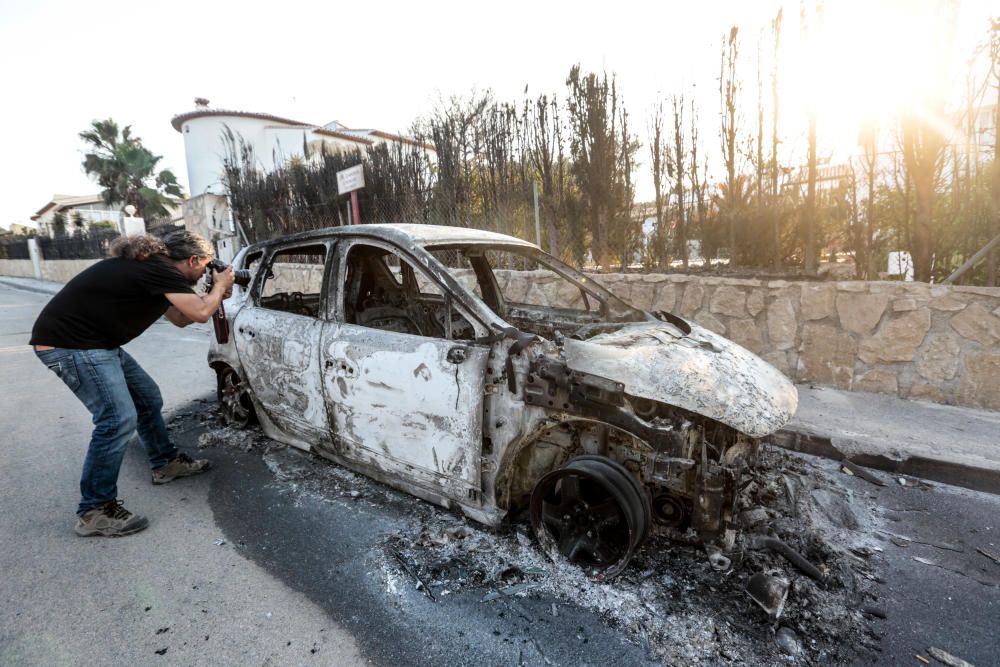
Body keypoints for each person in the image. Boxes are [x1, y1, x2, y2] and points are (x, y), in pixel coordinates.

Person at [30, 230, 236, 537]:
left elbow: (182, 319)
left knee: (147, 397)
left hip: (95, 344)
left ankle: (165, 463)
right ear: (192, 260)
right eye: (205, 266)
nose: (206, 272)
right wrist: (218, 287)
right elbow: (202, 313)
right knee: (116, 419)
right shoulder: (160, 269)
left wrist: (215, 292)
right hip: (71, 345)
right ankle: (95, 510)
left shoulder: (155, 272)